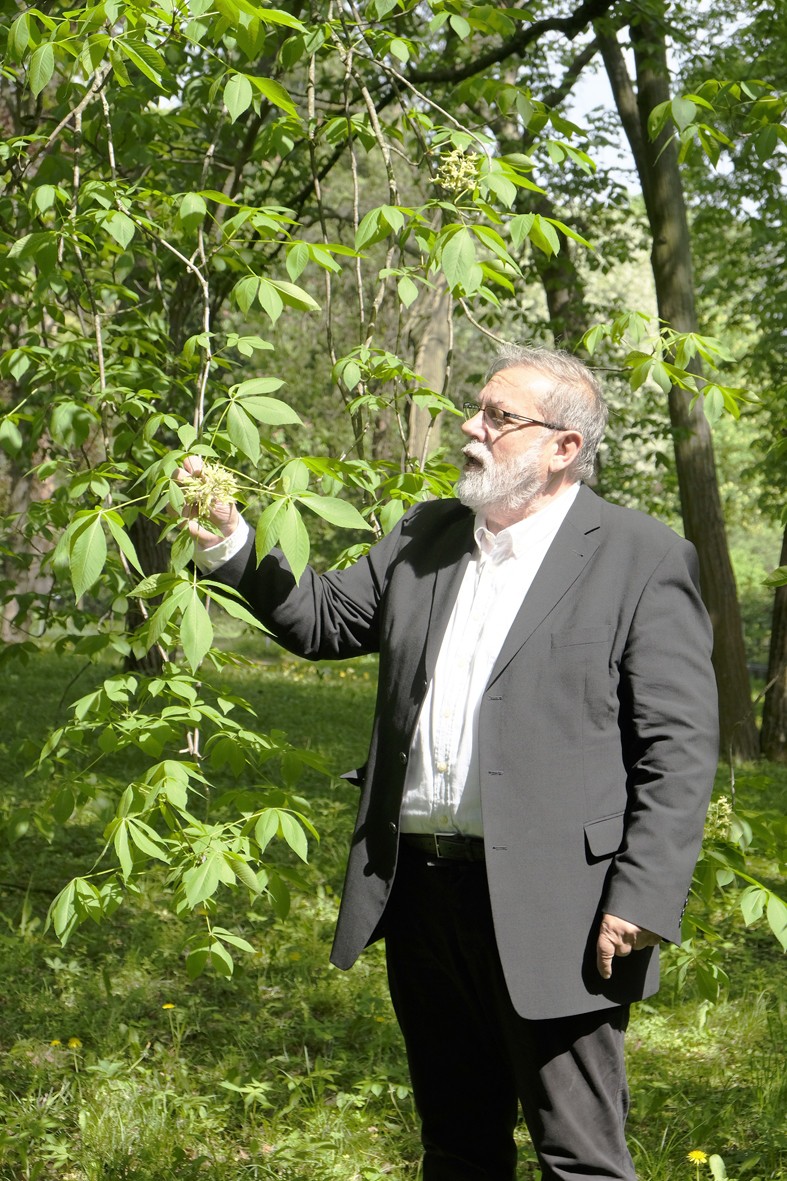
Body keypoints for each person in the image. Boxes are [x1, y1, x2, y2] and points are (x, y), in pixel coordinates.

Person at [178, 344, 719, 1181]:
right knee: (457, 1145)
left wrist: (641, 895)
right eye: (477, 408)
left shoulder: (639, 558)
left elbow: (677, 749)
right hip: (422, 895)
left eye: (498, 417)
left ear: (562, 447)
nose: (470, 427)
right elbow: (321, 620)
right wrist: (235, 545)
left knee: (578, 1157)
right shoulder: (425, 535)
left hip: (562, 910)